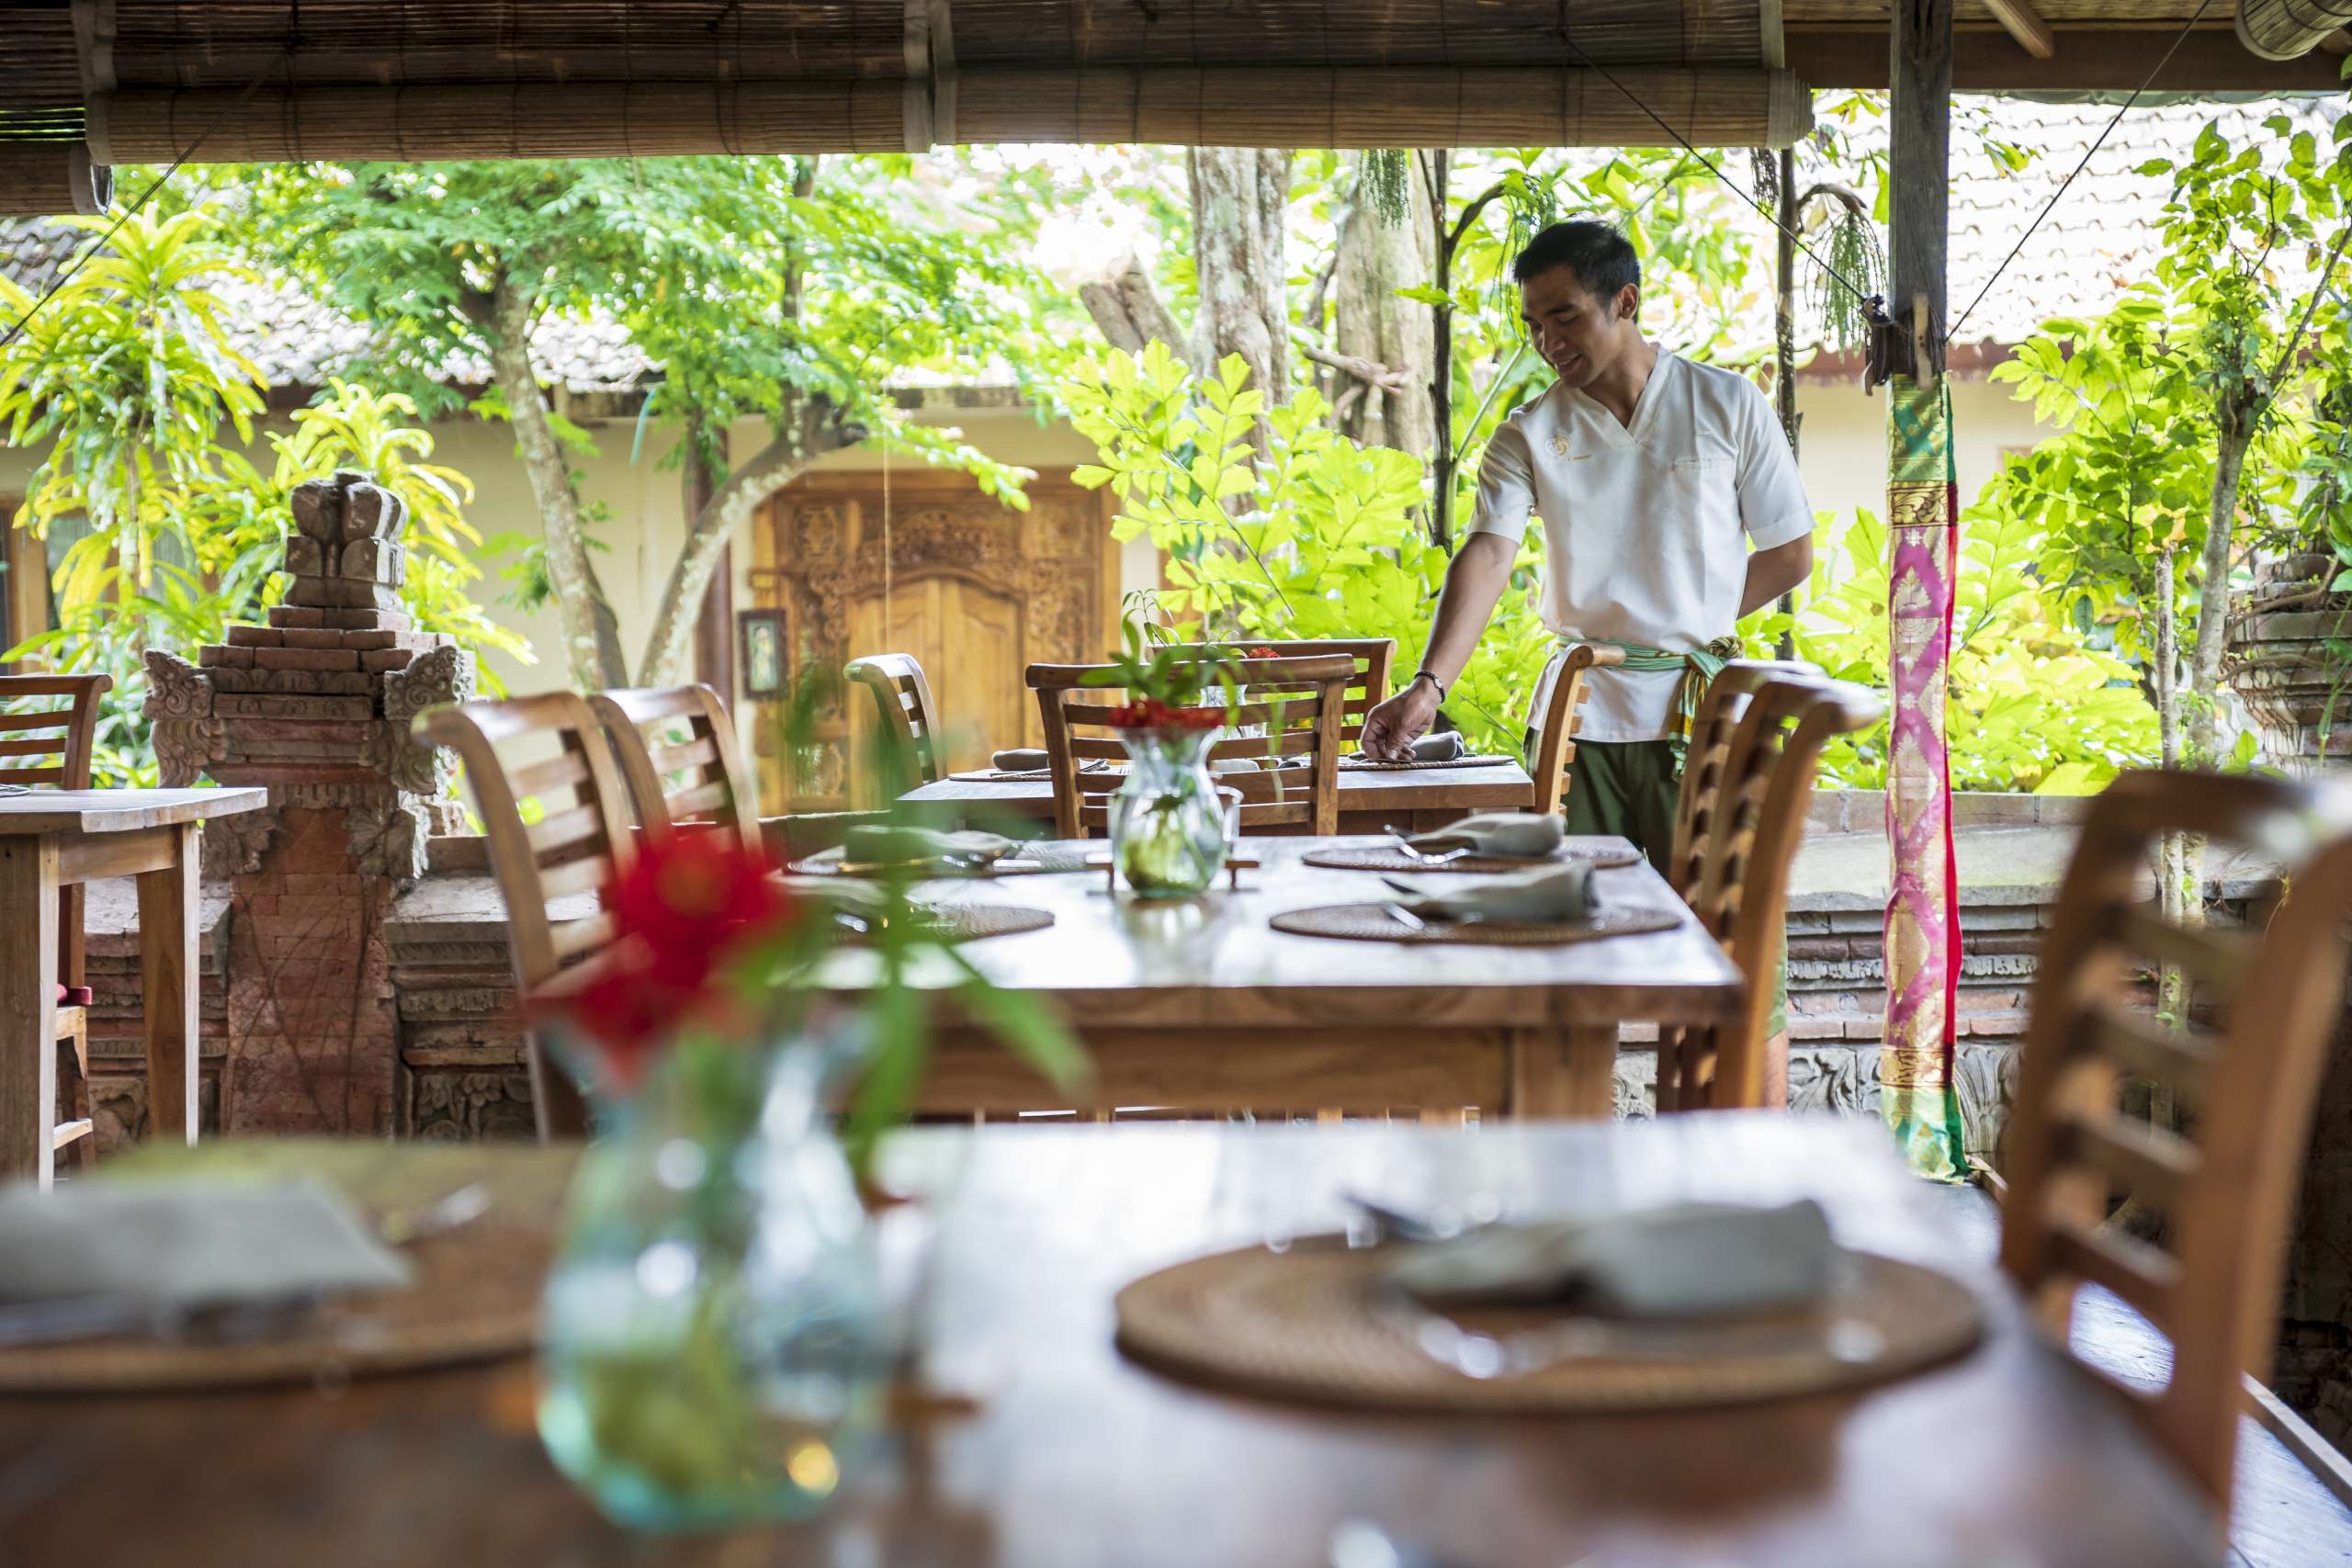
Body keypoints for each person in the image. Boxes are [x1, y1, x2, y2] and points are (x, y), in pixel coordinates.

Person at [1360, 219, 1815, 874]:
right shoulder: (1529, 434)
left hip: (1700, 718)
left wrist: (1687, 619)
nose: (1548, 342)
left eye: (1564, 317)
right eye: (1534, 325)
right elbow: (1488, 554)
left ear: (1624, 302)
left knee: (1720, 927)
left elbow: (1790, 551)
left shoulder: (1727, 403)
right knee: (1578, 929)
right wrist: (1428, 687)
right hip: (1578, 722)